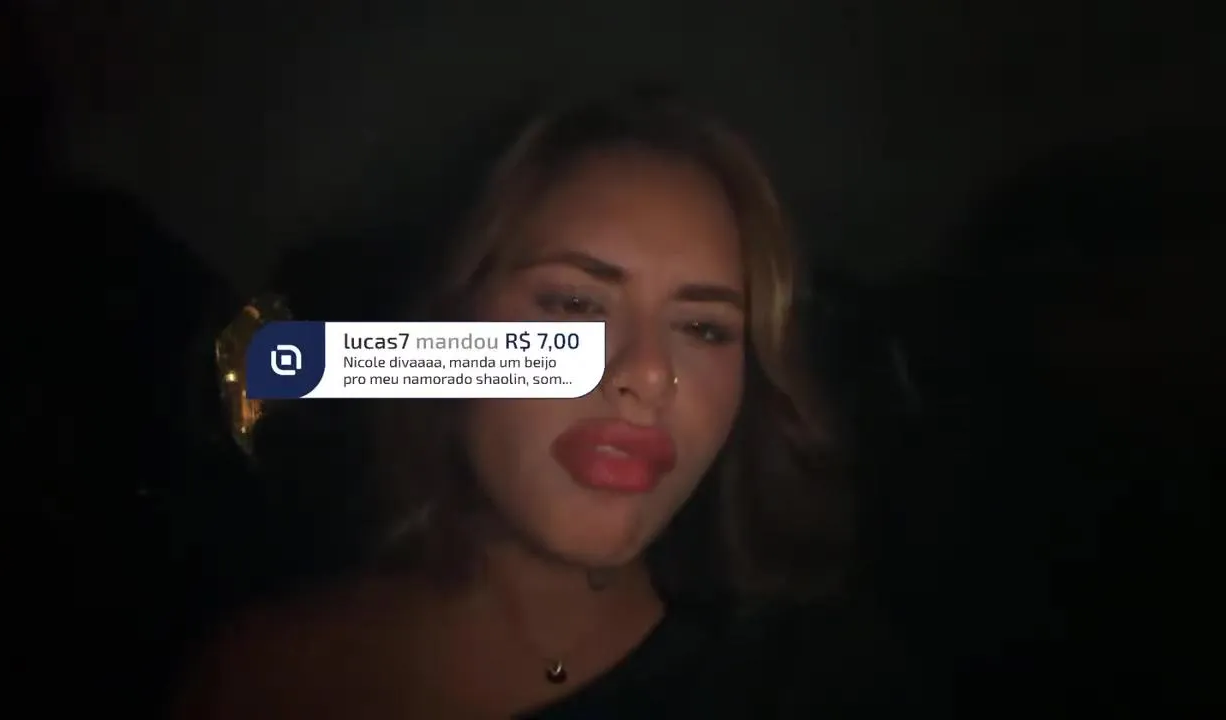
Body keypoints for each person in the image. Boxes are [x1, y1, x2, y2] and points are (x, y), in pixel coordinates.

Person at [173, 92, 925, 719]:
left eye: (704, 328)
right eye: (573, 303)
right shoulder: (260, 680)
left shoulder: (829, 684)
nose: (648, 374)